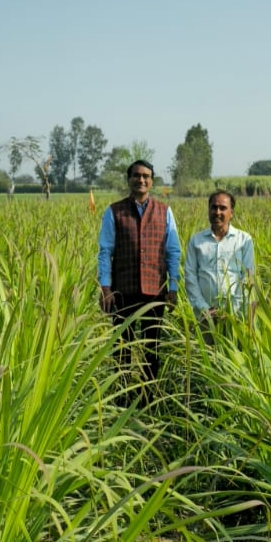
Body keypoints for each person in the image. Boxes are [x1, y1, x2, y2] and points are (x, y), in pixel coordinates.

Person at [97, 159, 181, 382]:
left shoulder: (165, 212)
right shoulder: (114, 212)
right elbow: (105, 251)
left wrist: (173, 287)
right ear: (129, 180)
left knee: (151, 347)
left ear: (151, 182)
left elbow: (173, 251)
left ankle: (149, 398)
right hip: (123, 290)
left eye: (146, 176)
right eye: (136, 175)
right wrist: (105, 287)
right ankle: (121, 397)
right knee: (122, 345)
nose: (141, 180)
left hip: (155, 291)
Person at [184, 191, 255, 337]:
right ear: (208, 210)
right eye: (213, 207)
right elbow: (190, 278)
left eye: (223, 208)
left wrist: (231, 310)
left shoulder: (243, 240)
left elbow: (247, 277)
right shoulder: (196, 241)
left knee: (234, 355)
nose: (217, 212)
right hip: (204, 317)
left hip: (235, 316)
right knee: (206, 356)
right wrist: (204, 308)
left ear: (231, 213)